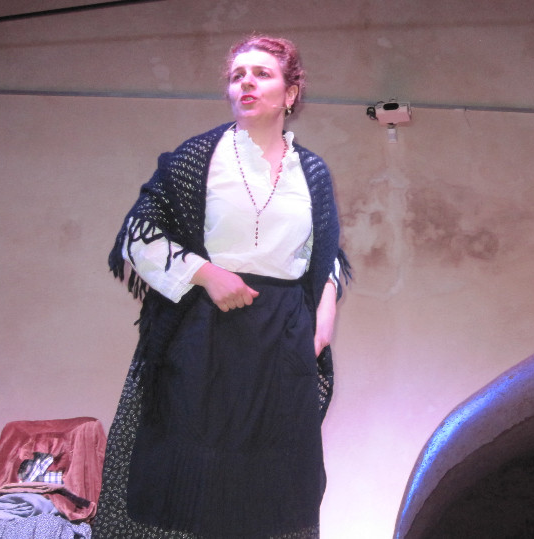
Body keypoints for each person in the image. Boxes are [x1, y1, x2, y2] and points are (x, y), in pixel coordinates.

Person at [94, 35, 349, 539]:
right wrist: (205, 275)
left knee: (276, 483)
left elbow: (325, 254)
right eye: (237, 76)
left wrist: (325, 315)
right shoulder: (197, 158)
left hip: (281, 337)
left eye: (261, 73)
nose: (246, 82)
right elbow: (138, 235)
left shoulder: (312, 172)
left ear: (290, 93)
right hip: (206, 331)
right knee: (193, 475)